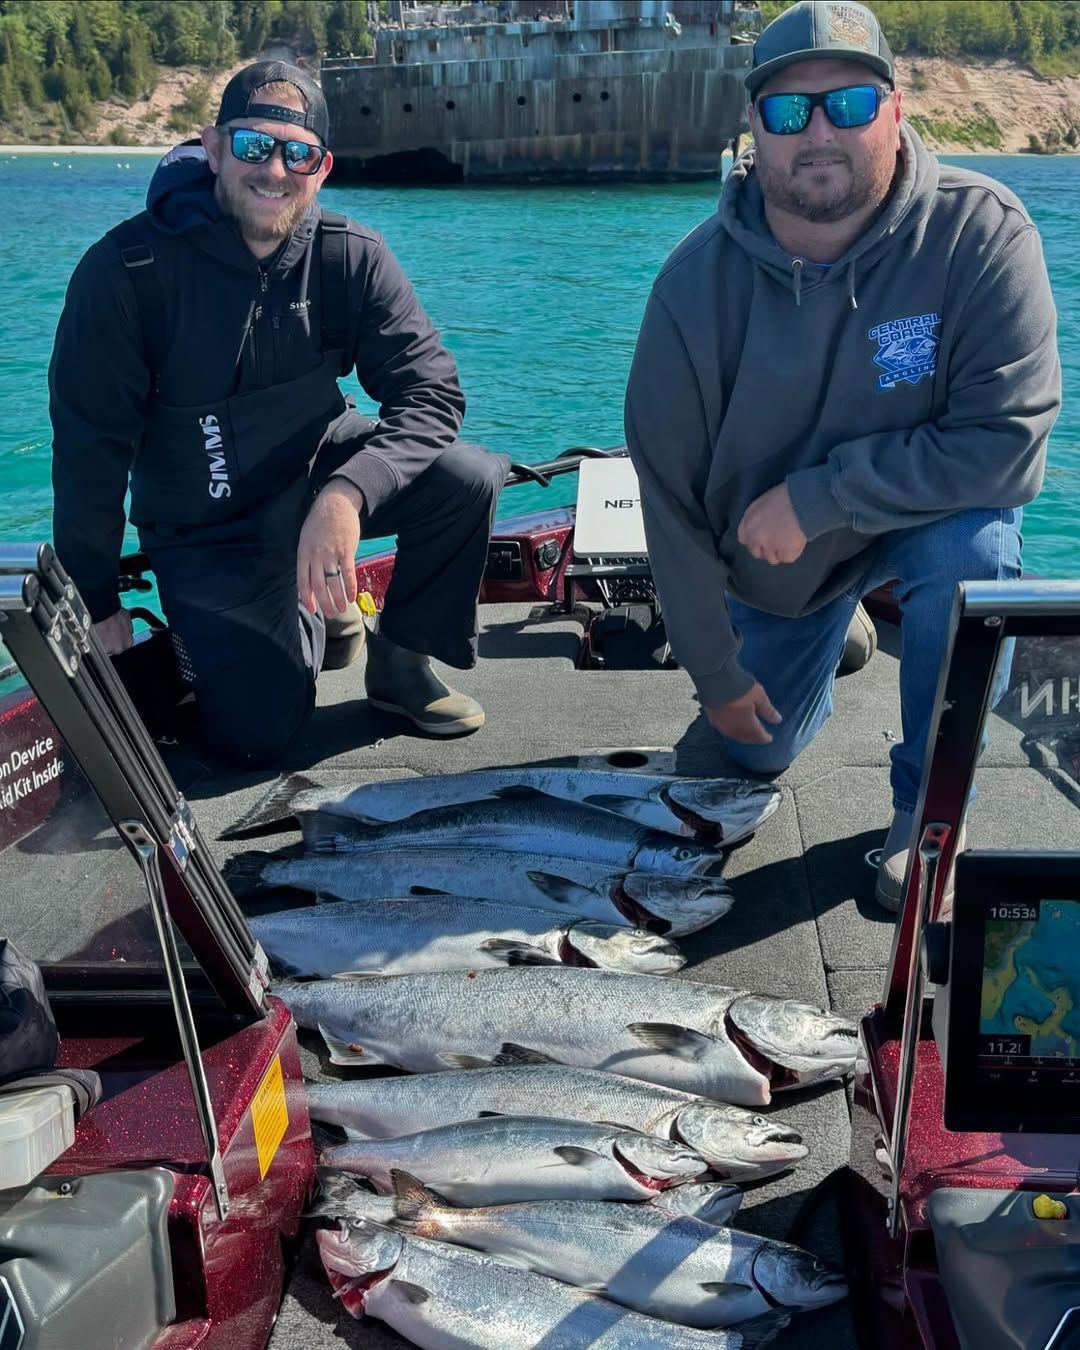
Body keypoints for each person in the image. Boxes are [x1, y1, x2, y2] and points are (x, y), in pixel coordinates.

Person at [624, 1, 1061, 910]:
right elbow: (668, 502)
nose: (818, 132)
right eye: (789, 110)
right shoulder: (690, 289)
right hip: (779, 570)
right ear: (754, 127)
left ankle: (930, 815)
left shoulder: (983, 233)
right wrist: (716, 673)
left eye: (850, 104)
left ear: (896, 108)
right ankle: (836, 627)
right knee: (749, 755)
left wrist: (819, 499)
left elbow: (1008, 444)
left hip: (920, 521)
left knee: (975, 553)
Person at [49, 61, 509, 766]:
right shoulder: (124, 273)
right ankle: (308, 622)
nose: (274, 170)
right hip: (208, 528)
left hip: (314, 471)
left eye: (298, 154)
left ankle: (399, 662)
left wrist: (347, 494)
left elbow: (432, 392)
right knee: (259, 736)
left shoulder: (348, 256)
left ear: (322, 169)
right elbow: (90, 452)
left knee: (467, 478)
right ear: (212, 148)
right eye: (254, 145)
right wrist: (97, 599)